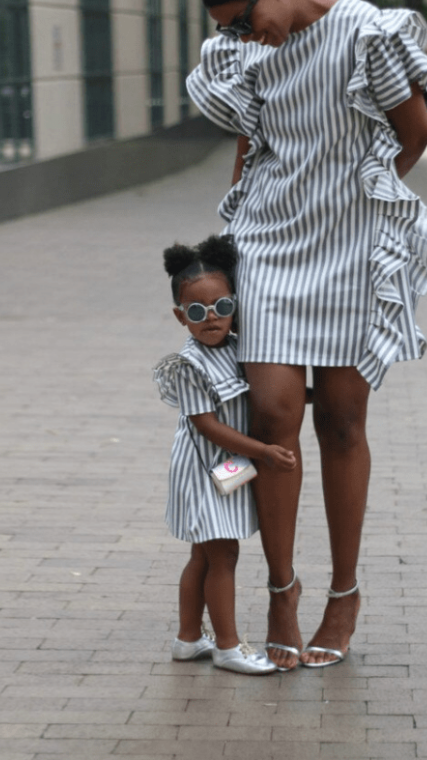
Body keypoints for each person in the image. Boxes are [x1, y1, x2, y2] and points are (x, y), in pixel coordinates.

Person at [185, 0, 427, 671]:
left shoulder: (368, 34)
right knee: (271, 413)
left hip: (350, 247)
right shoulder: (248, 56)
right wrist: (226, 235)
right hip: (266, 243)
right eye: (226, 28)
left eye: (241, 20)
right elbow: (250, 144)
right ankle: (281, 590)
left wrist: (361, 199)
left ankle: (344, 593)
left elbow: (414, 133)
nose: (237, 37)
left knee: (342, 419)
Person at [153, 235, 297, 675]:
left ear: (236, 304)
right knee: (222, 556)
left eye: (221, 307)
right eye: (196, 311)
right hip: (204, 468)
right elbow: (207, 425)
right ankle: (228, 647)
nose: (210, 318)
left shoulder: (239, 349)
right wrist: (264, 452)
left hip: (226, 468)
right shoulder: (189, 365)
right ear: (181, 316)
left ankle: (187, 639)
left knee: (203, 555)